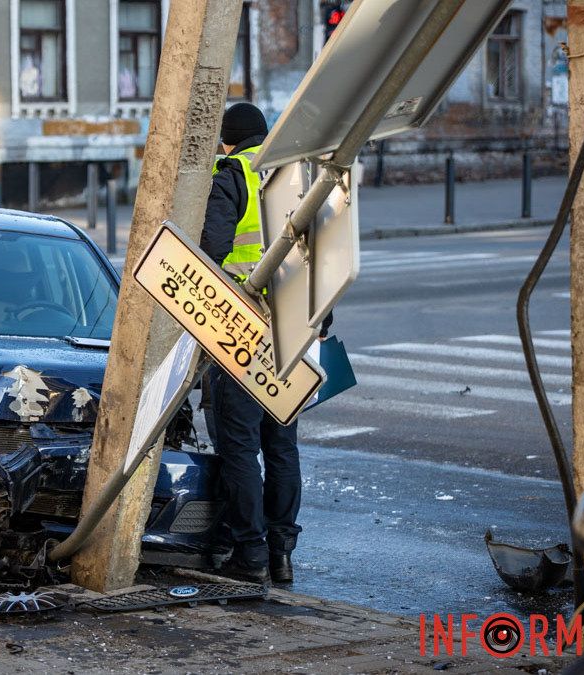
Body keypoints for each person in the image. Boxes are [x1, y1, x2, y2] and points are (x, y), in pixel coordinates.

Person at [200, 102, 327, 585]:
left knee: (238, 446)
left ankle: (249, 554)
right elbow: (321, 256)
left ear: (228, 140)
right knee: (282, 446)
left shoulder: (231, 173)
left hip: (240, 326)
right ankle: (282, 554)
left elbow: (210, 249)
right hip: (292, 329)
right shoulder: (295, 175)